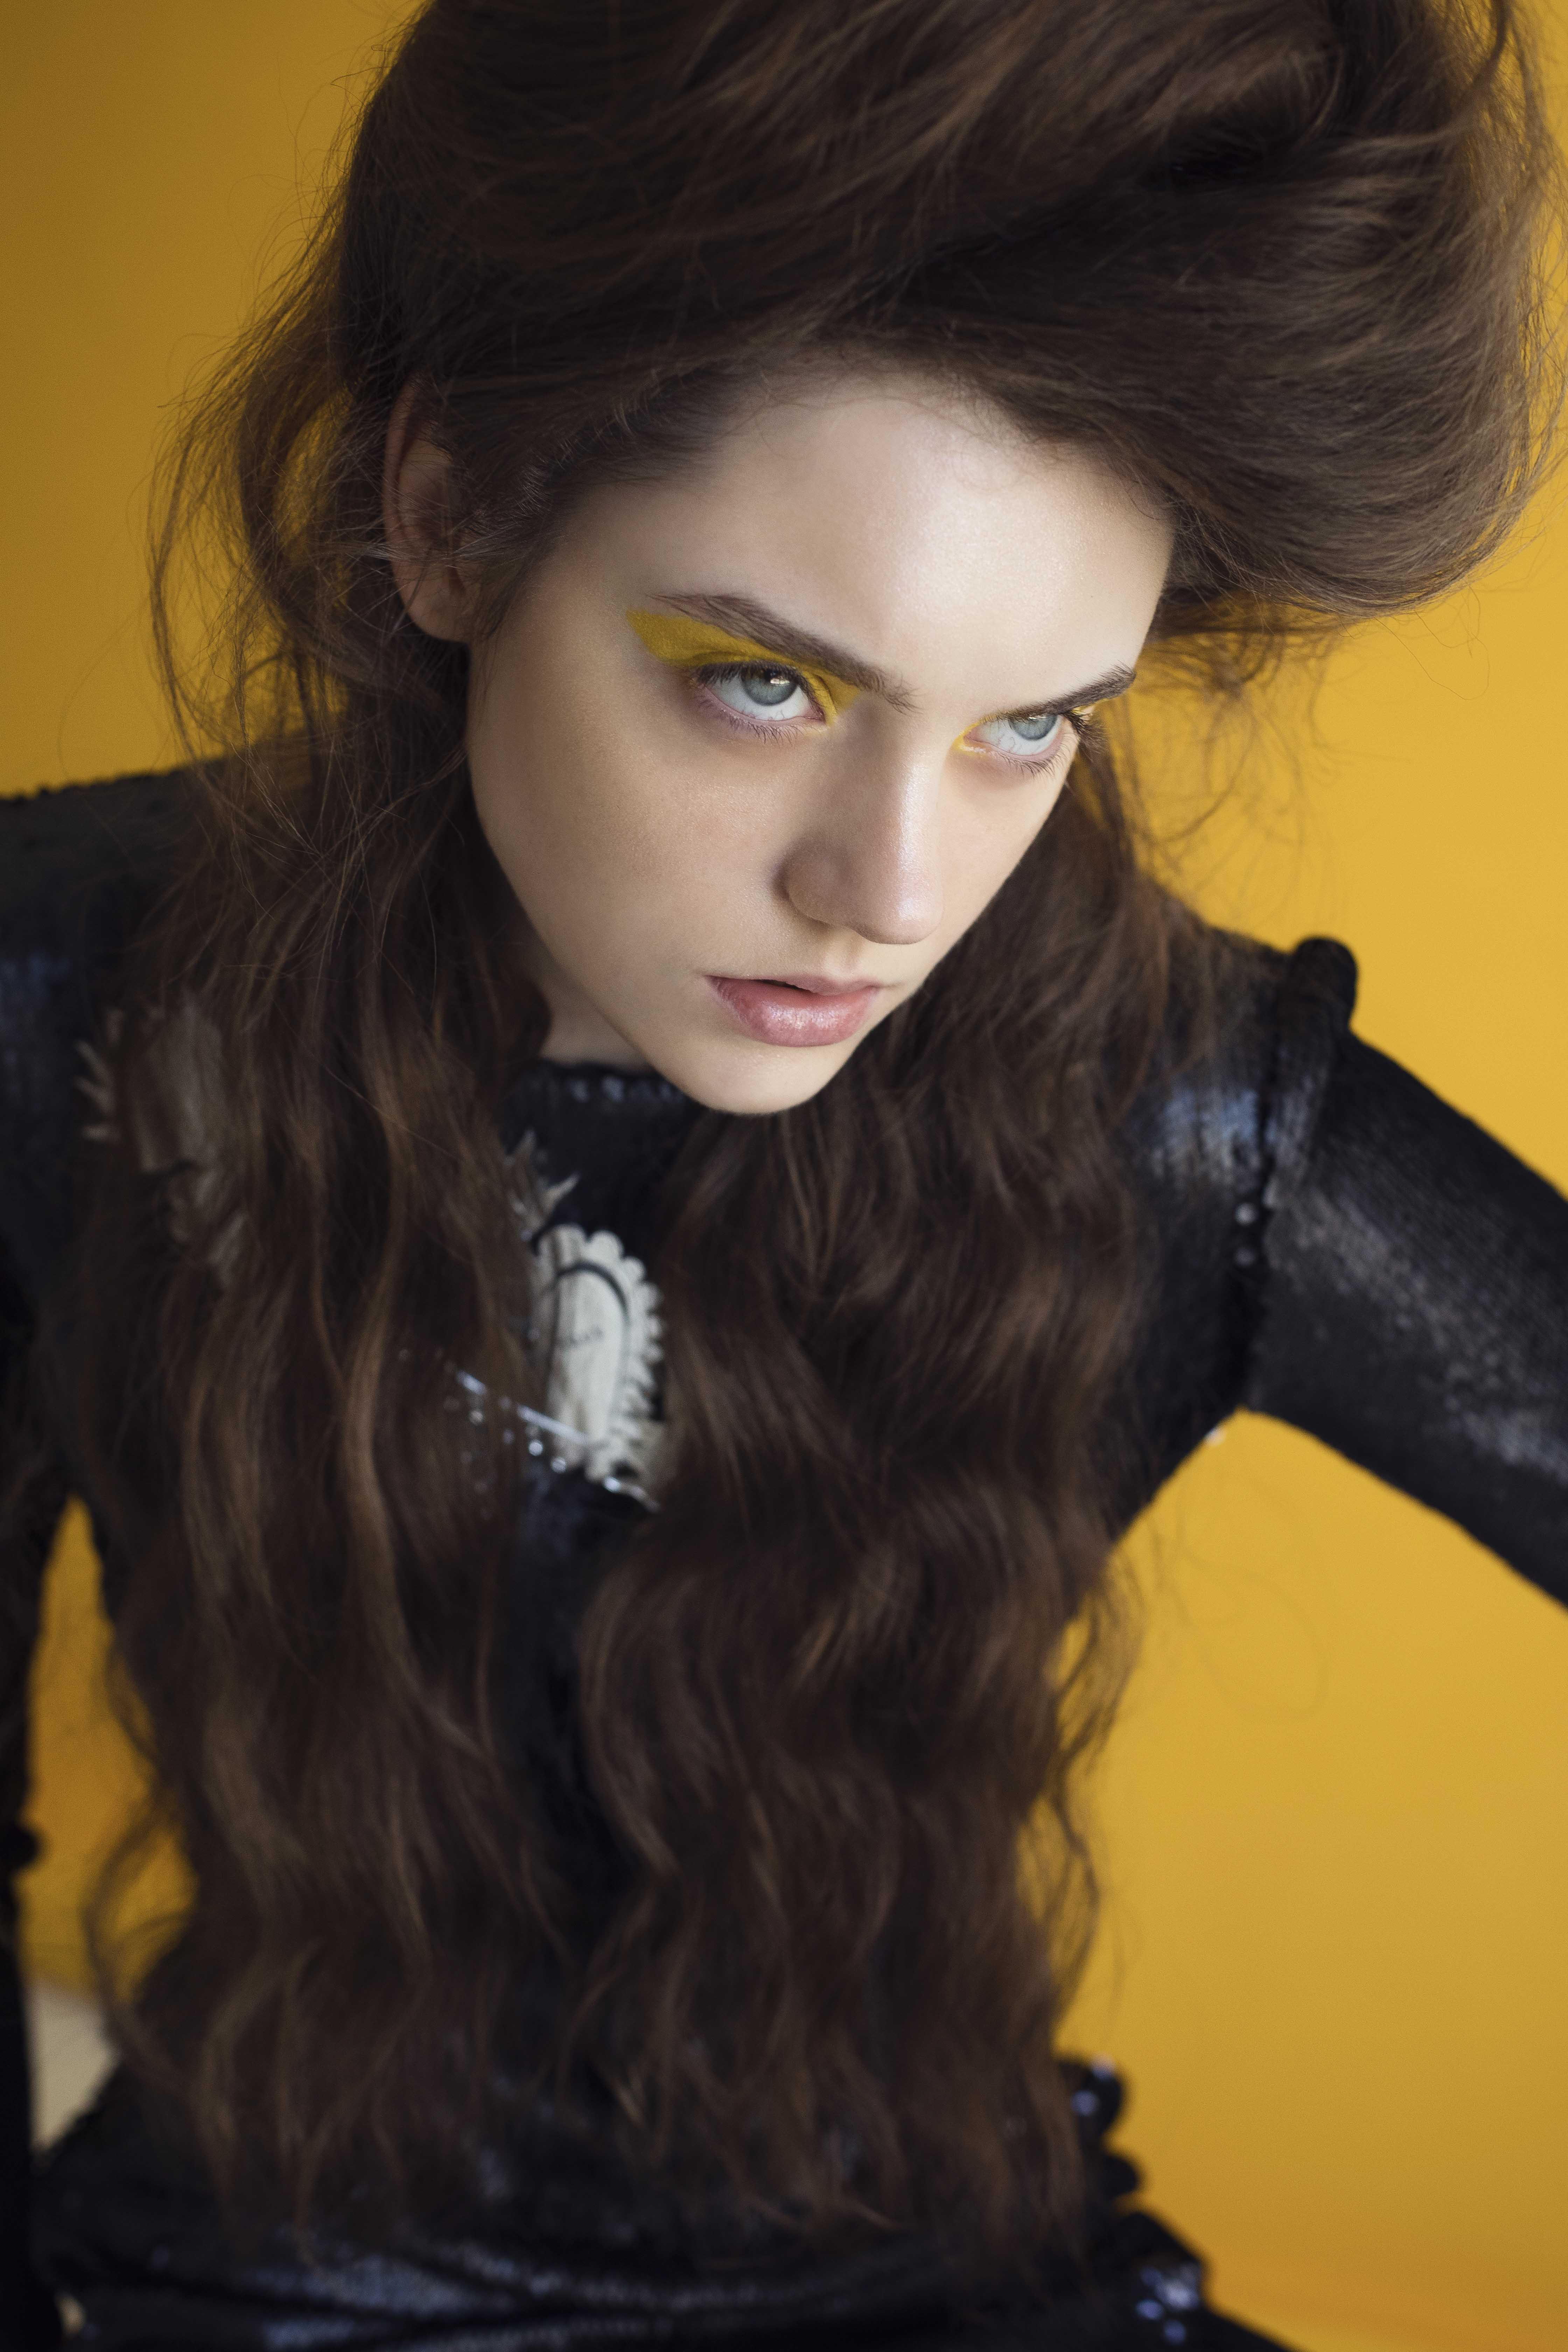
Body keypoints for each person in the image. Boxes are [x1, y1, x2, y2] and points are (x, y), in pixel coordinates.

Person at [3, 0, 1565, 2343]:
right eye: (768, 683)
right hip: (263, 2271)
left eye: (1031, 728)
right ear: (449, 514)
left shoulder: (1181, 1112)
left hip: (959, 2285)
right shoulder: (62, 999)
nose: (891, 896)